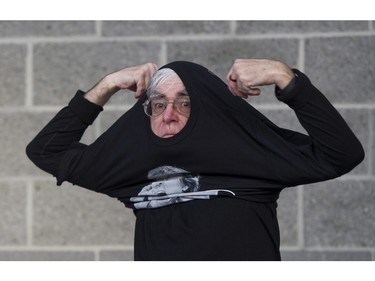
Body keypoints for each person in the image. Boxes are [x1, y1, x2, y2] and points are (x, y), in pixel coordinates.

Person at [26, 58, 364, 261]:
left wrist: (284, 77)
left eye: (185, 103)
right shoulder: (131, 173)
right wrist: (108, 84)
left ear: (210, 109)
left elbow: (343, 154)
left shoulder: (255, 159)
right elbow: (46, 150)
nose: (169, 114)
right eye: (158, 103)